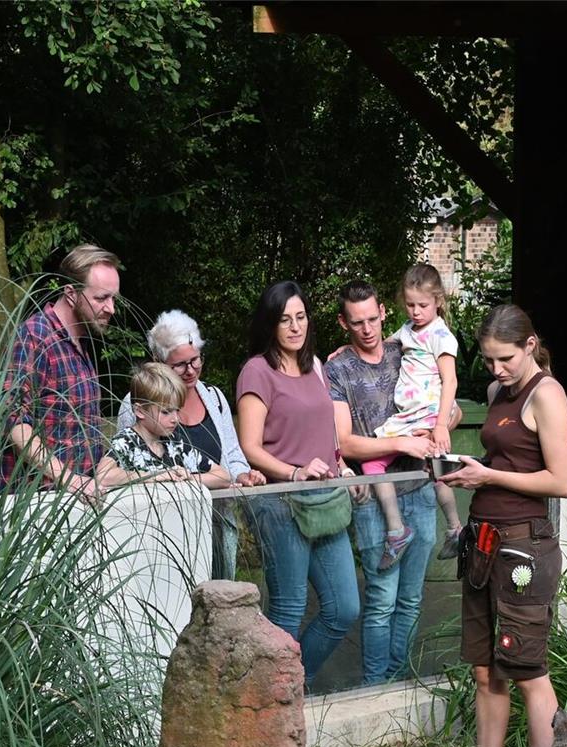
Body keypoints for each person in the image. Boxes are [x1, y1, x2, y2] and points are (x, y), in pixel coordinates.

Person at [439, 303, 567, 747]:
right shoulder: (499, 393)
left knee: (526, 666)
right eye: (489, 359)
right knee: (484, 666)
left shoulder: (548, 395)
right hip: (484, 539)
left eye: (504, 359)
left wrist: (489, 477)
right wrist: (463, 470)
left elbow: (561, 482)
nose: (495, 370)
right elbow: (501, 459)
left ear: (529, 346)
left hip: (525, 544)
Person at [235, 281, 360, 685]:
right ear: (270, 324)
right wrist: (293, 472)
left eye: (301, 317)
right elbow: (249, 447)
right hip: (281, 501)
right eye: (284, 319)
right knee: (288, 609)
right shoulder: (257, 370)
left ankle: (286, 686)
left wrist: (341, 466)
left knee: (344, 607)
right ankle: (272, 703)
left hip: (325, 500)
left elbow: (325, 432)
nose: (294, 327)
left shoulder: (315, 366)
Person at [327, 280, 446, 686]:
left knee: (411, 600)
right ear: (344, 322)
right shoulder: (337, 368)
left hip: (421, 489)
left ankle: (397, 684)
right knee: (381, 601)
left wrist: (443, 423)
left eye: (373, 318)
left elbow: (444, 392)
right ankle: (374, 687)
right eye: (357, 322)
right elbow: (346, 443)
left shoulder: (406, 348)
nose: (367, 329)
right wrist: (404, 442)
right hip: (375, 499)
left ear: (382, 312)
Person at [118, 309, 266, 578]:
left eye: (195, 359)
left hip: (215, 522)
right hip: (162, 527)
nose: (191, 370)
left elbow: (230, 455)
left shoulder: (214, 397)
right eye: (180, 365)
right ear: (158, 362)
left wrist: (243, 474)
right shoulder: (135, 403)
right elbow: (125, 462)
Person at [0, 244, 121, 501]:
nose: (111, 308)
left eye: (113, 299)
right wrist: (72, 480)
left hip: (75, 504)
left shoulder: (80, 343)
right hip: (34, 507)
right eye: (101, 298)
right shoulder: (35, 335)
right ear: (71, 293)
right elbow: (14, 421)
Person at [364, 264, 464, 568]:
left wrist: (440, 425)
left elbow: (451, 380)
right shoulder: (408, 330)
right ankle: (426, 529)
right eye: (410, 305)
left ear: (438, 301)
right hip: (407, 416)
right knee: (382, 463)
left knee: (434, 469)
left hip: (426, 414)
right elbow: (382, 345)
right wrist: (348, 347)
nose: (416, 311)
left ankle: (425, 529)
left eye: (423, 305)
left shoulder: (440, 335)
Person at [97, 362, 231, 489]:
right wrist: (153, 476)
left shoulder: (176, 443)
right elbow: (102, 476)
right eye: (166, 412)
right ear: (140, 411)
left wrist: (190, 478)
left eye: (177, 410)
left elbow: (223, 477)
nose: (175, 419)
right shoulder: (126, 442)